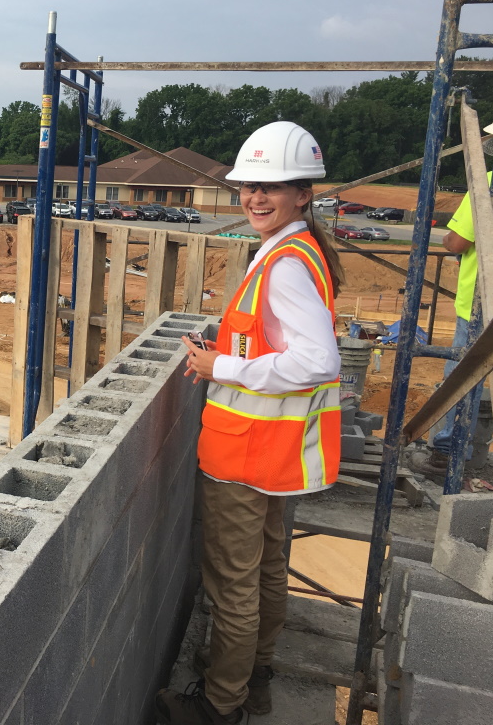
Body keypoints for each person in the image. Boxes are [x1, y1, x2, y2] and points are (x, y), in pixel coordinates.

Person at [156, 122, 343, 725]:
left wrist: (221, 365)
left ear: (302, 194)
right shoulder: (298, 249)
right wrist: (226, 347)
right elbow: (274, 338)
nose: (255, 199)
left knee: (231, 586)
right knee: (264, 572)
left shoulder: (285, 263)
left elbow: (316, 361)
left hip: (245, 455)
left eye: (271, 188)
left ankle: (220, 704)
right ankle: (254, 677)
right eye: (248, 188)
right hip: (274, 454)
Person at [428, 164, 492, 474]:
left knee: (464, 377)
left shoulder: (487, 184)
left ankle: (448, 451)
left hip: (481, 305)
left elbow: (457, 242)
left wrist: (447, 241)